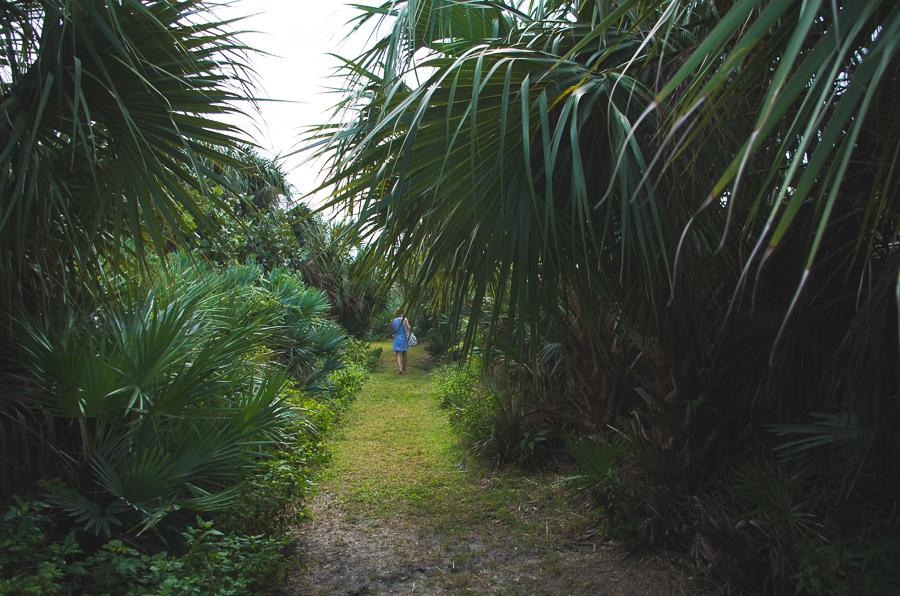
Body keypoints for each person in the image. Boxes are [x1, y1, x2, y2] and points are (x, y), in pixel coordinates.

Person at [390, 309, 412, 375]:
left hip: (397, 336)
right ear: (402, 313)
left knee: (398, 354)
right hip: (404, 337)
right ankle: (404, 369)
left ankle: (400, 368)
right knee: (404, 354)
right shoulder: (404, 319)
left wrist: (391, 335)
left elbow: (391, 330)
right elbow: (408, 328)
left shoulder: (392, 320)